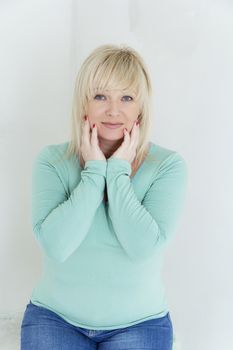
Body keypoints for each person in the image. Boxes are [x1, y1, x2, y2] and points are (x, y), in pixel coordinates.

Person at [20, 44, 188, 350]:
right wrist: (95, 171)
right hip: (54, 319)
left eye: (126, 97)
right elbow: (57, 246)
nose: (113, 110)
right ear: (83, 103)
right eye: (100, 96)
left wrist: (118, 173)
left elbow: (142, 247)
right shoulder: (52, 161)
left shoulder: (167, 166)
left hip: (140, 324)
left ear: (141, 107)